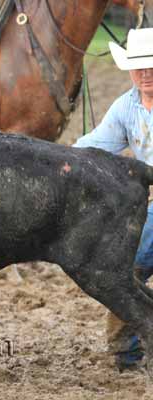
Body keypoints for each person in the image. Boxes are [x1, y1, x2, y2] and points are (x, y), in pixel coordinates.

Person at [73, 28, 153, 371]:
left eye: (151, 65)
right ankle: (126, 351)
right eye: (139, 67)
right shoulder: (127, 106)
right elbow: (93, 147)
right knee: (127, 265)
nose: (145, 73)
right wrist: (51, 160)